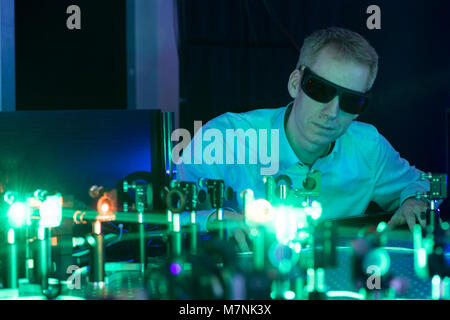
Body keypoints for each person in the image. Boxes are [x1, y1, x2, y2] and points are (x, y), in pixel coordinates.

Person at [176, 27, 430, 234]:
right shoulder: (226, 137)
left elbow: (422, 185)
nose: (332, 113)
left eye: (352, 101)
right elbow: (174, 209)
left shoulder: (369, 147)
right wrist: (217, 219)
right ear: (295, 83)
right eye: (320, 90)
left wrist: (412, 201)